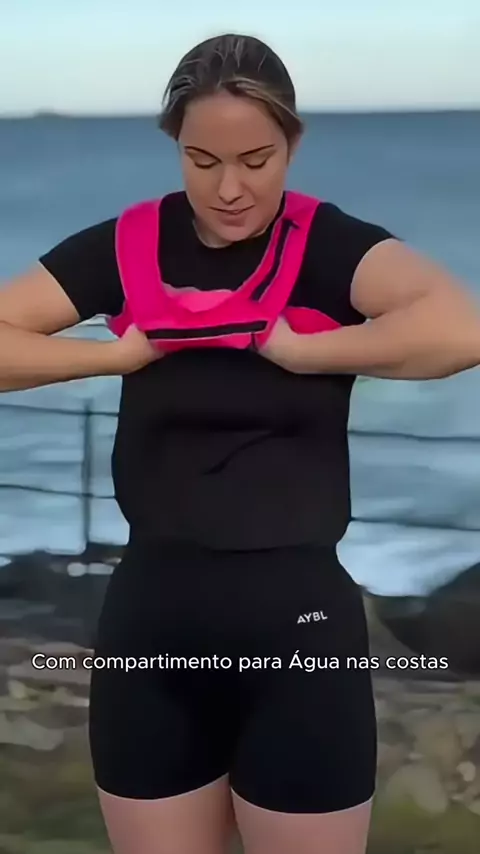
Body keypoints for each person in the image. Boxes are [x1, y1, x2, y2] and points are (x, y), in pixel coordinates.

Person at [0, 32, 479, 854]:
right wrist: (116, 354)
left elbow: (458, 331)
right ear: (175, 147)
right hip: (151, 629)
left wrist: (302, 348)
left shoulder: (328, 248)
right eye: (203, 160)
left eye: (256, 160)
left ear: (292, 142)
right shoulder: (130, 247)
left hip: (300, 635)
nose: (229, 188)